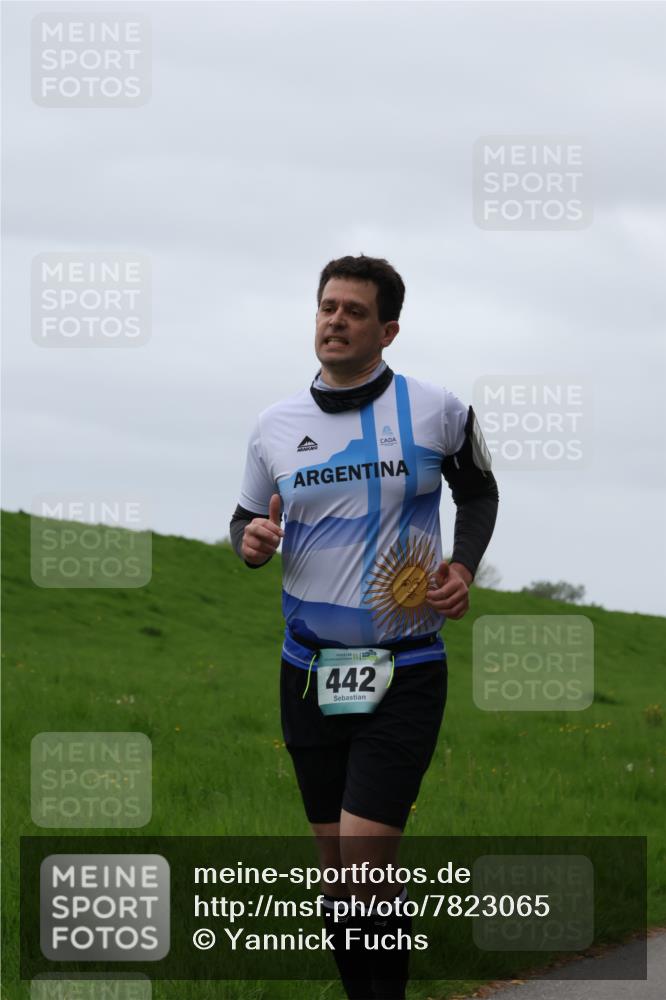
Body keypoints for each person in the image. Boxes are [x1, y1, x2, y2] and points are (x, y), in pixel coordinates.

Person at [230, 254, 499, 1000]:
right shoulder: (273, 426)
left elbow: (478, 493)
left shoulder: (439, 409)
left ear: (387, 329)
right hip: (308, 673)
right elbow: (246, 518)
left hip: (405, 667)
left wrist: (464, 567)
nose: (334, 321)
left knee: (364, 860)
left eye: (352, 311)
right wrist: (249, 542)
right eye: (326, 307)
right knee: (338, 872)